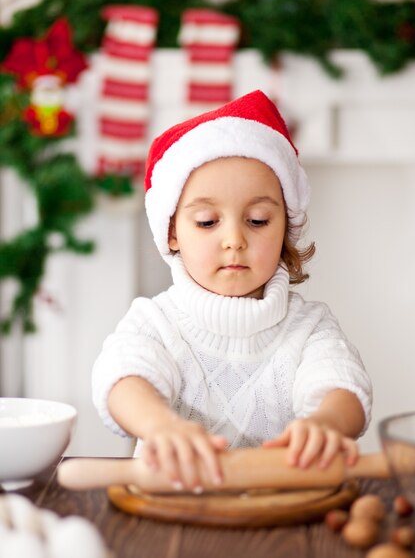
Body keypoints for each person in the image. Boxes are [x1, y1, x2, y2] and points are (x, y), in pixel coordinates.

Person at [92, 90, 372, 493]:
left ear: (285, 226)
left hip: (279, 522)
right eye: (207, 222)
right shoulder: (155, 322)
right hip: (174, 516)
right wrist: (160, 425)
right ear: (172, 232)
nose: (234, 239)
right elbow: (121, 377)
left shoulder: (308, 328)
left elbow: (343, 386)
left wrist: (326, 424)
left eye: (257, 220)